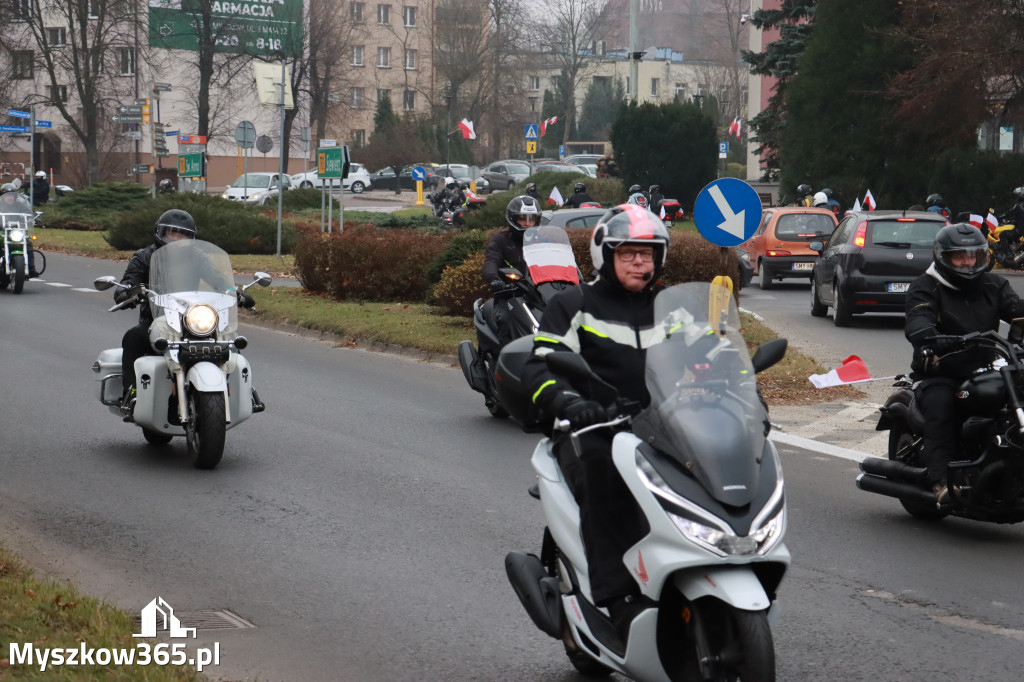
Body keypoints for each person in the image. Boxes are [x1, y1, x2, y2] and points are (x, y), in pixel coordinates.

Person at [522, 204, 672, 637]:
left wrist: (741, 390)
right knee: (605, 484)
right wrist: (569, 402)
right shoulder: (574, 305)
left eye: (648, 253)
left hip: (663, 430)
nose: (639, 261)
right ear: (605, 255)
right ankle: (618, 597)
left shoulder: (672, 308)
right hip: (592, 429)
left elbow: (709, 359)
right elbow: (540, 365)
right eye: (628, 253)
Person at [905, 223, 1024, 503]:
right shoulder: (926, 286)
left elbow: (1015, 309)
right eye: (960, 256)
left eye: (974, 256)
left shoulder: (994, 285)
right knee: (941, 406)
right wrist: (932, 337)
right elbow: (918, 319)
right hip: (941, 369)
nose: (968, 263)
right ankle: (940, 481)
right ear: (943, 257)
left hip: (986, 367)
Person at [115, 209, 254, 419]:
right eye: (172, 233)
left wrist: (234, 293)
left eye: (183, 235)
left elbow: (218, 280)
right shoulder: (145, 257)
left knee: (227, 340)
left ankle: (243, 392)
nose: (177, 238)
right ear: (160, 233)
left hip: (192, 321)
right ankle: (131, 393)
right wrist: (126, 290)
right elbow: (128, 280)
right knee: (133, 337)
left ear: (191, 238)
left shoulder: (197, 257)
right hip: (157, 321)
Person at [480, 195, 542, 344]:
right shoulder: (500, 240)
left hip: (540, 295)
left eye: (531, 219)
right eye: (522, 219)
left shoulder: (543, 240)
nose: (527, 223)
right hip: (511, 295)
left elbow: (558, 260)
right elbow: (491, 261)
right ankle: (505, 362)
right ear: (512, 219)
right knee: (506, 323)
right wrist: (495, 279)